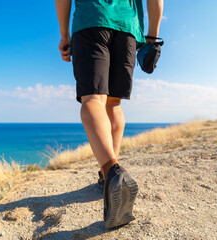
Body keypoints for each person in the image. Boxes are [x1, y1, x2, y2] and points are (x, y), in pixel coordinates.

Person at [55, 0, 164, 229]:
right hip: (128, 28)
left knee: (93, 98)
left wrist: (64, 35)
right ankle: (109, 178)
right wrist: (152, 38)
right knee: (114, 104)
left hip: (91, 20)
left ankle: (111, 173)